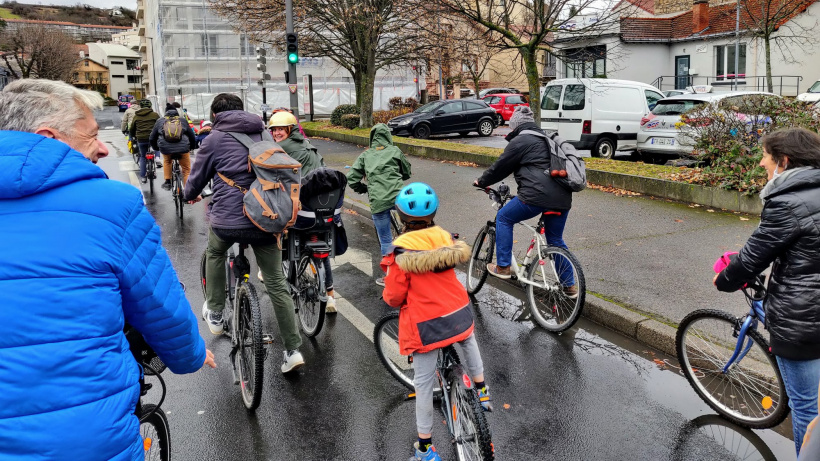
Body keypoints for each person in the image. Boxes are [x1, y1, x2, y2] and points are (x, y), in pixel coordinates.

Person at [0, 79, 216, 459]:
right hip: (81, 437)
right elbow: (161, 307)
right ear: (47, 138)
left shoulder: (135, 125)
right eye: (91, 136)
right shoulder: (109, 205)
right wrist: (192, 355)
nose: (101, 147)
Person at [714, 127, 820, 457]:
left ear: (784, 161)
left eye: (765, 156)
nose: (761, 163)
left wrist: (724, 280)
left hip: (803, 318)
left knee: (807, 408)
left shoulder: (787, 201)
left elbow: (750, 260)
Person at [183, 93, 305, 373]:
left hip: (229, 221)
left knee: (215, 251)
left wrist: (191, 194)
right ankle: (293, 350)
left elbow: (197, 179)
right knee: (275, 280)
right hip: (266, 218)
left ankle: (214, 311)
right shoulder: (263, 133)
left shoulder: (213, 139)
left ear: (216, 115)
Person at [381, 183, 491, 461]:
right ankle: (481, 388)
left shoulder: (401, 251)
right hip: (459, 312)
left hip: (426, 327)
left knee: (423, 384)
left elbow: (393, 298)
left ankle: (425, 448)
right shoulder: (444, 236)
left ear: (401, 218)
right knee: (468, 339)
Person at [473, 105, 577, 295]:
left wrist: (482, 181)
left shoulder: (521, 140)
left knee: (504, 217)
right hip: (563, 196)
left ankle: (503, 267)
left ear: (516, 125)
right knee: (555, 239)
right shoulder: (547, 139)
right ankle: (569, 285)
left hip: (536, 196)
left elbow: (500, 167)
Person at [265, 111, 342, 312]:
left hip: (301, 211)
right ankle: (331, 296)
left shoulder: (280, 149)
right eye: (273, 130)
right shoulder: (309, 145)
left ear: (290, 130)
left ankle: (267, 270)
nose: (276, 133)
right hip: (322, 211)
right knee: (322, 254)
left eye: (281, 129)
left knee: (270, 224)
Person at [348, 123, 412, 285]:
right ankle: (413, 267)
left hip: (378, 200)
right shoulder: (395, 151)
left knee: (385, 239)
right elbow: (407, 172)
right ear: (388, 137)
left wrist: (364, 188)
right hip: (399, 198)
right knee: (410, 231)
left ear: (372, 138)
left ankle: (390, 276)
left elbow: (352, 179)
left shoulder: (366, 155)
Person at [150, 105, 196, 191]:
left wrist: (156, 148)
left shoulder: (160, 121)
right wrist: (192, 147)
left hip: (166, 149)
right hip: (183, 148)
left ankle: (167, 181)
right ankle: (187, 192)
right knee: (186, 170)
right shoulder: (182, 120)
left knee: (167, 161)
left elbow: (152, 137)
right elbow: (192, 136)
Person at [129, 99, 160, 184]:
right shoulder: (155, 115)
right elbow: (160, 125)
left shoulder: (136, 116)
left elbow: (132, 128)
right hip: (152, 137)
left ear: (141, 107)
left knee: (143, 157)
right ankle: (157, 158)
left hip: (141, 138)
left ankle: (143, 177)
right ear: (150, 106)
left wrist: (133, 136)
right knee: (156, 144)